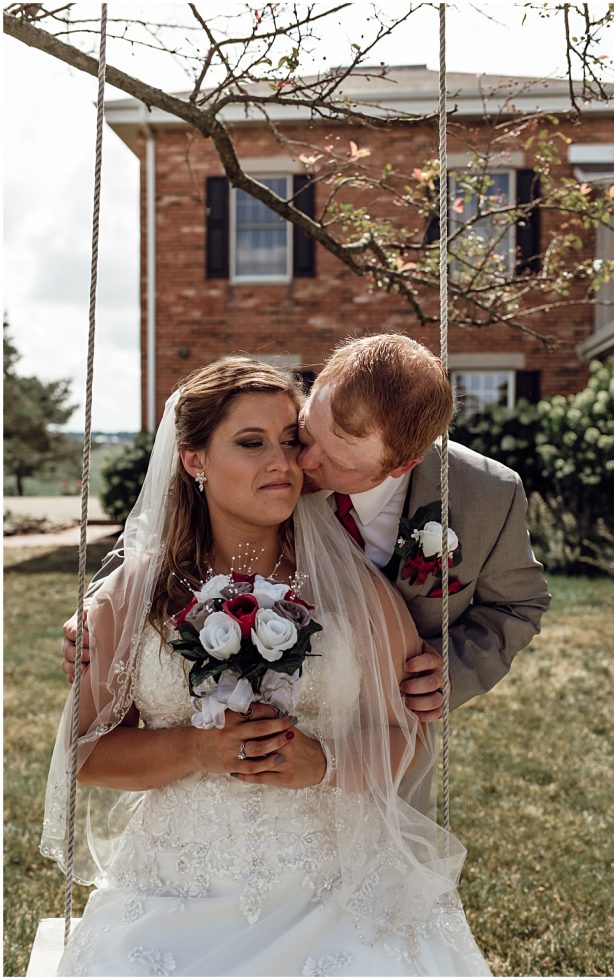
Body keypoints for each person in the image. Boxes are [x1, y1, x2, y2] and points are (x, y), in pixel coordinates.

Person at [44, 357, 491, 974]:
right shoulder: (132, 597)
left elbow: (408, 739)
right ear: (194, 459)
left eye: (289, 441)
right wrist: (196, 750)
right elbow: (84, 755)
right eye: (251, 443)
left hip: (336, 886)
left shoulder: (353, 589)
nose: (282, 464)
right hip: (176, 886)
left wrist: (327, 762)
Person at [65, 334, 550, 731]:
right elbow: (172, 527)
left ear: (402, 465)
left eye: (335, 462)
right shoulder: (273, 468)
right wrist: (97, 615)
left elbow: (517, 604)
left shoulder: (487, 495)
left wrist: (452, 672)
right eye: (307, 433)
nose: (301, 463)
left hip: (388, 732)